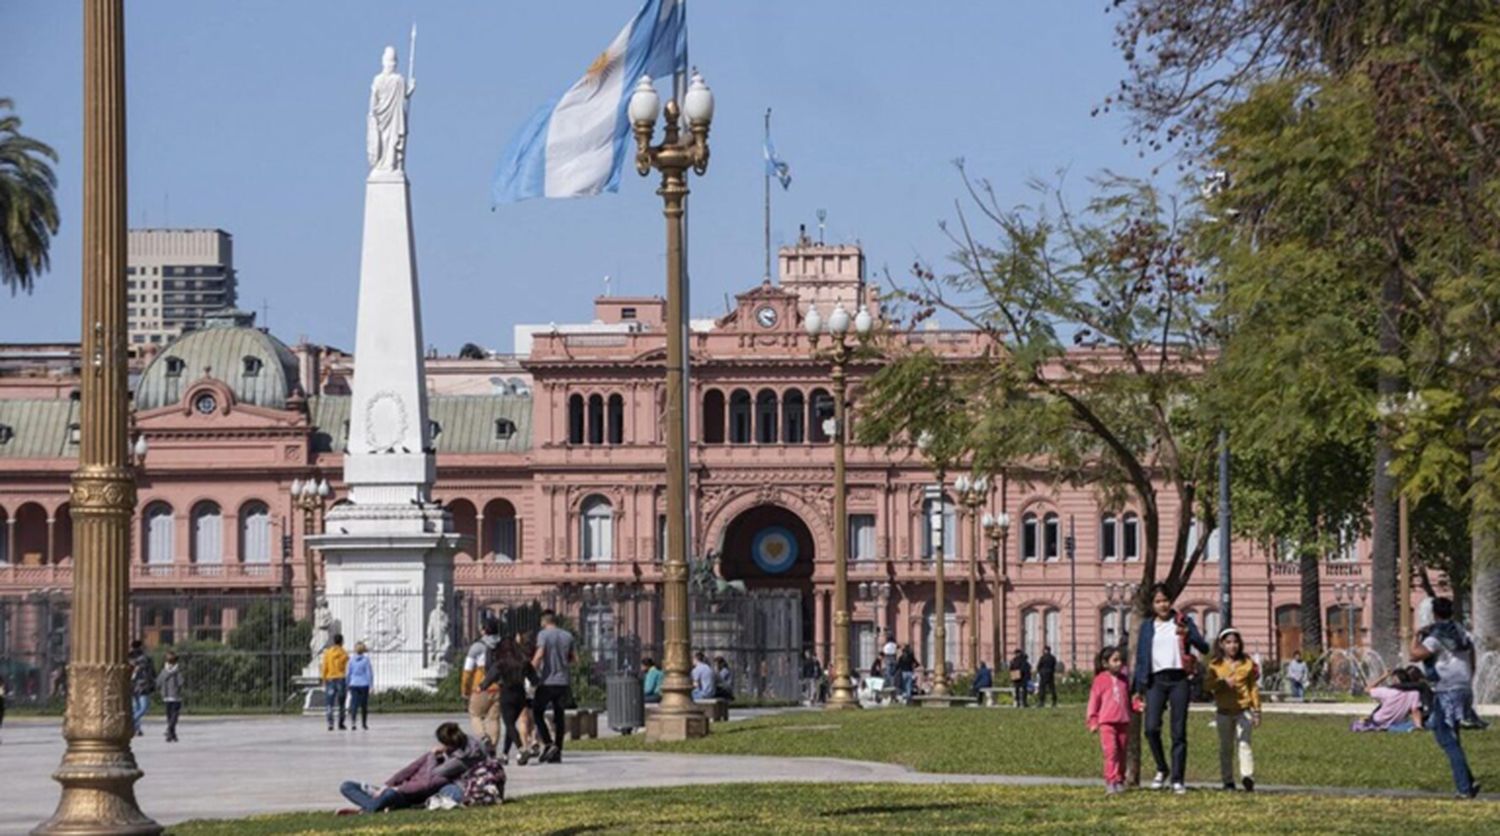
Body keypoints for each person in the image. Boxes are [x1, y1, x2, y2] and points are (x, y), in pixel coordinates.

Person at [1133, 583, 1210, 795]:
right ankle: (1161, 767)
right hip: (1156, 680)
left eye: (1165, 600)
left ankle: (1178, 779)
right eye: (1158, 601)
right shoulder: (1148, 627)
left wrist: (1189, 634)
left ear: (1171, 601)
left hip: (1179, 680)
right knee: (1150, 728)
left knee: (1178, 732)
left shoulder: (1183, 621)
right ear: (1152, 604)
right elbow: (1141, 658)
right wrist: (1138, 687)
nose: (1162, 605)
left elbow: (1204, 647)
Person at [1410, 597, 1480, 799]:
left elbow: (1414, 656)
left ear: (1434, 614)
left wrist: (1415, 637)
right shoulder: (1463, 632)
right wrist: (1469, 677)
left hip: (1446, 690)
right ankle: (1468, 780)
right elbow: (1473, 657)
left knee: (1446, 739)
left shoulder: (1435, 637)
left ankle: (1464, 789)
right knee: (1453, 736)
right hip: (1464, 688)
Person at [338, 722, 485, 814]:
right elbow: (409, 769)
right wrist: (387, 785)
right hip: (397, 788)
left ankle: (368, 809)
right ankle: (375, 805)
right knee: (346, 786)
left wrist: (396, 789)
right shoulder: (437, 755)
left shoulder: (450, 768)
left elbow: (427, 783)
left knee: (389, 796)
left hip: (405, 794)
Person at [1205, 627, 1261, 792]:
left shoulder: (1247, 663)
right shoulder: (1215, 665)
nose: (1232, 646)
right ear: (1222, 644)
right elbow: (1207, 685)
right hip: (1223, 712)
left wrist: (1256, 711)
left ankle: (1247, 776)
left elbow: (1253, 688)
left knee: (1244, 744)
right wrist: (1221, 682)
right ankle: (1228, 780)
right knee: (1226, 747)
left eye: (1235, 642)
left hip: (1243, 711)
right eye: (1228, 642)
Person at [478, 635, 539, 764]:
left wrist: (482, 687)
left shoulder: (501, 663)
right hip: (520, 695)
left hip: (507, 694)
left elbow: (490, 677)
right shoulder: (524, 661)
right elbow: (535, 679)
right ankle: (505, 755)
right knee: (511, 725)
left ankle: (522, 749)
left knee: (509, 724)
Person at [1087, 646, 1135, 794]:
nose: (1119, 663)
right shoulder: (1100, 680)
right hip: (1107, 722)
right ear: (1105, 663)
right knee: (1111, 752)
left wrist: (1137, 705)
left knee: (1121, 752)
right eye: (1115, 660)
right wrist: (1093, 721)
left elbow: (1128, 699)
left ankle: (1120, 779)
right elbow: (1093, 702)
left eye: (1120, 660)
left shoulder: (1124, 680)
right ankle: (1111, 780)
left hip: (1123, 721)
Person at [529, 610, 575, 764]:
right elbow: (574, 658)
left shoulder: (543, 635)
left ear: (544, 621)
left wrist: (530, 671)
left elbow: (540, 654)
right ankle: (558, 750)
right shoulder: (568, 636)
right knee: (559, 715)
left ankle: (548, 743)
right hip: (563, 681)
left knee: (537, 711)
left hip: (547, 681)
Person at [461, 615, 503, 747]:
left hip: (481, 687)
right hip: (499, 687)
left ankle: (483, 736)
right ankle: (493, 747)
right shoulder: (503, 645)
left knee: (475, 714)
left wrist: (465, 690)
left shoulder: (477, 647)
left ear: (484, 630)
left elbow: (467, 671)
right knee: (494, 719)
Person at [1353, 666, 1429, 733]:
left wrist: (1383, 676)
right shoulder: (1414, 693)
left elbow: (1367, 689)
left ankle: (1374, 725)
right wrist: (1418, 726)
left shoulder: (1387, 691)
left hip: (1378, 720)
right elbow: (1415, 711)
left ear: (1396, 680)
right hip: (1395, 722)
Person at [322, 633, 350, 731]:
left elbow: (324, 667)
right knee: (341, 703)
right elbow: (346, 662)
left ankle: (330, 723)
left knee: (329, 703)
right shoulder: (344, 653)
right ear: (342, 642)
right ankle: (341, 723)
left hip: (330, 678)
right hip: (341, 678)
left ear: (334, 641)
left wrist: (324, 678)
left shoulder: (328, 653)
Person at [127, 640, 155, 737]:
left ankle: (136, 728)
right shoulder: (144, 658)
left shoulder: (128, 657)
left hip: (132, 685)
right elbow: (150, 672)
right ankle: (132, 722)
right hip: (142, 685)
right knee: (143, 707)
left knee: (136, 707)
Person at [155, 651, 184, 743]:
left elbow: (158, 682)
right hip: (175, 695)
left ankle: (172, 734)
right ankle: (170, 729)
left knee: (169, 715)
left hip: (166, 695)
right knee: (175, 715)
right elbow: (181, 682)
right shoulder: (177, 671)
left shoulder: (164, 671)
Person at [347, 642, 373, 731]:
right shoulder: (366, 660)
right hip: (364, 684)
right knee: (364, 705)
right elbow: (369, 673)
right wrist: (371, 685)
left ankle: (353, 723)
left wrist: (347, 683)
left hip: (354, 684)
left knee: (354, 704)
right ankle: (364, 723)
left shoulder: (351, 660)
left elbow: (348, 673)